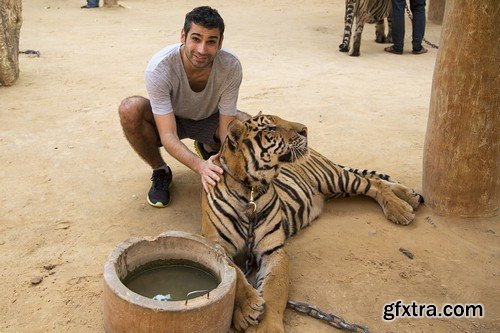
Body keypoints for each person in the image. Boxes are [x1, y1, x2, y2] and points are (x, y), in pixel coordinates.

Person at [118, 6, 250, 208]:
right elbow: (168, 135)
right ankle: (160, 170)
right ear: (183, 36)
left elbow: (227, 127)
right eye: (196, 39)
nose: (202, 50)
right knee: (130, 109)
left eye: (211, 42)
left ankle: (208, 147)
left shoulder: (230, 67)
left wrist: (229, 163)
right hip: (172, 119)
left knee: (245, 125)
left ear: (220, 43)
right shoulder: (160, 68)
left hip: (209, 118)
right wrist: (200, 167)